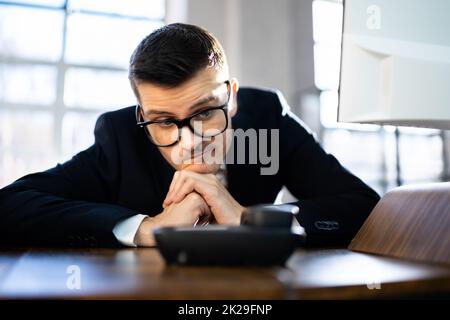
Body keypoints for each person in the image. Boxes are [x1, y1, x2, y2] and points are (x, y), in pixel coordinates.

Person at [0, 23, 379, 248]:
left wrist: (250, 220)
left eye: (203, 113)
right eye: (164, 121)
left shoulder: (268, 120)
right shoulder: (120, 137)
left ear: (231, 98)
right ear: (142, 116)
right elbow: (10, 206)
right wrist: (145, 228)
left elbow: (364, 207)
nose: (190, 142)